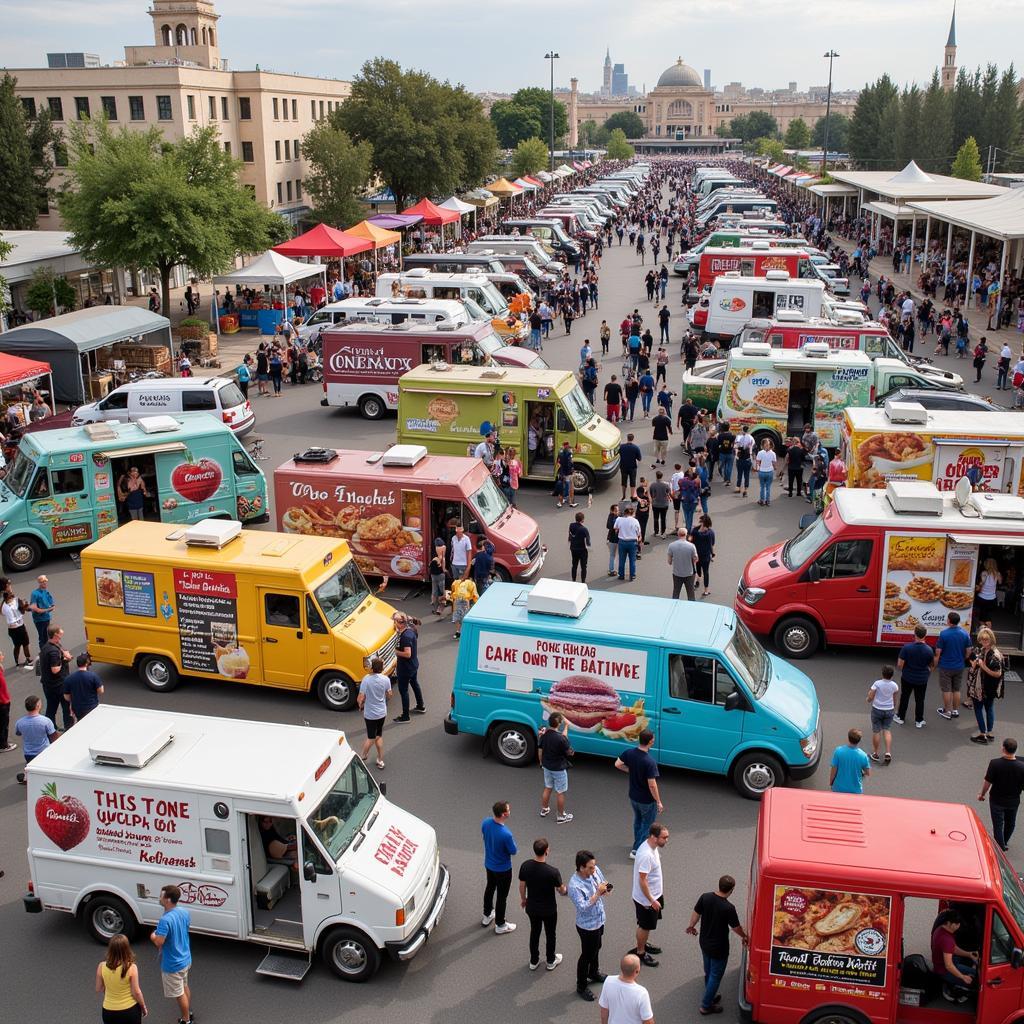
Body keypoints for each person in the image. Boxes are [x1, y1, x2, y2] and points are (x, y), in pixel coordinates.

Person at [687, 874, 749, 1017]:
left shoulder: (705, 897)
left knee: (708, 970)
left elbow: (696, 913)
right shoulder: (728, 908)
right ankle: (706, 1005)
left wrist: (691, 926)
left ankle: (710, 992)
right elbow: (736, 928)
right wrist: (745, 937)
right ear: (731, 890)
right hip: (719, 948)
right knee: (716, 975)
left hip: (704, 942)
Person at [519, 837, 567, 972]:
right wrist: (564, 889)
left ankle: (534, 960)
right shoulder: (553, 872)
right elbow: (561, 890)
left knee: (535, 932)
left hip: (532, 907)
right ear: (547, 851)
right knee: (550, 933)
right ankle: (550, 960)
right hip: (549, 909)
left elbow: (522, 885)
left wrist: (524, 899)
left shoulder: (525, 865)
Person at [568, 849, 610, 1001]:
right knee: (587, 954)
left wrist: (605, 889)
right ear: (581, 867)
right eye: (590, 867)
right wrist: (598, 894)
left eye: (594, 866)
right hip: (587, 926)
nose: (594, 870)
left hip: (599, 919)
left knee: (597, 946)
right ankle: (581, 986)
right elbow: (583, 907)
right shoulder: (574, 886)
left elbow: (602, 882)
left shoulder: (595, 870)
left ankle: (594, 972)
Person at [614, 730, 663, 857]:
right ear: (651, 741)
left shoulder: (629, 753)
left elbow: (618, 764)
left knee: (638, 821)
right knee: (647, 824)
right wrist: (658, 801)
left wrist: (631, 770)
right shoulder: (649, 762)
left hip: (633, 797)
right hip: (646, 799)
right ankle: (637, 850)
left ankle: (637, 844)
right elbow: (652, 785)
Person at [150, 884, 192, 1024]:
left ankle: (186, 1020)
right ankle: (189, 1012)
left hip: (172, 963)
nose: (159, 898)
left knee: (179, 993)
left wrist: (152, 935)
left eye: (161, 896)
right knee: (184, 986)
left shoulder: (165, 920)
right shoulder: (184, 912)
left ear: (167, 899)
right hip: (185, 958)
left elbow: (159, 942)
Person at [632, 823, 669, 967]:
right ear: (653, 837)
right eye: (664, 838)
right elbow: (642, 880)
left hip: (654, 895)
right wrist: (652, 900)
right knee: (644, 926)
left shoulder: (652, 847)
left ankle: (643, 943)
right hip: (646, 900)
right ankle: (640, 952)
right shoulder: (646, 855)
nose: (666, 840)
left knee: (647, 925)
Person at [978, 737, 1024, 852]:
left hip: (996, 800)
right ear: (1015, 750)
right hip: (1013, 801)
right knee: (1010, 823)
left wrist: (982, 794)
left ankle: (999, 847)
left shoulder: (995, 763)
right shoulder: (1021, 766)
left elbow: (987, 782)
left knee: (998, 824)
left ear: (1003, 748)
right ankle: (1004, 842)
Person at [482, 800, 518, 934]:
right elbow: (513, 851)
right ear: (504, 814)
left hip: (489, 865)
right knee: (502, 896)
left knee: (490, 888)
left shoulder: (486, 823)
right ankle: (500, 924)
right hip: (503, 869)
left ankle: (487, 915)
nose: (509, 811)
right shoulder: (506, 834)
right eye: (508, 810)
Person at [96, 935, 147, 1024]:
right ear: (126, 949)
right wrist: (143, 1007)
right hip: (129, 1011)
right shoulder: (131, 967)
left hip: (109, 1011)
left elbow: (99, 988)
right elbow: (136, 992)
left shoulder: (101, 966)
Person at [931, 910, 978, 1002]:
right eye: (956, 924)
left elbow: (954, 949)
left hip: (943, 966)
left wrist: (969, 954)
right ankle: (953, 989)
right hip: (945, 971)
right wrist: (963, 977)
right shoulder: (946, 939)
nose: (958, 926)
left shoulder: (941, 929)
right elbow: (948, 965)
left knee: (975, 973)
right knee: (976, 982)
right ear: (949, 923)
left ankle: (952, 984)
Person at [967, 627, 1004, 744]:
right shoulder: (983, 650)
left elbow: (998, 674)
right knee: (989, 708)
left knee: (979, 708)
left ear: (991, 639)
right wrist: (975, 664)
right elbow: (975, 664)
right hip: (984, 686)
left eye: (986, 639)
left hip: (986, 687)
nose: (984, 642)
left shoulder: (995, 655)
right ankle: (989, 733)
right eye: (982, 639)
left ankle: (983, 734)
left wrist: (983, 667)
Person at [895, 624, 933, 728]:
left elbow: (899, 665)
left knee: (905, 697)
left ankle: (900, 717)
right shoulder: (929, 650)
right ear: (925, 635)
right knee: (920, 699)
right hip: (922, 679)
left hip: (907, 677)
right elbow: (931, 665)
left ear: (914, 634)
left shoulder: (907, 648)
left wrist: (906, 670)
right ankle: (919, 720)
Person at [598, 954, 654, 1024]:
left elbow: (604, 1010)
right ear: (637, 971)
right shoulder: (642, 993)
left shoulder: (608, 981)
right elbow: (648, 1021)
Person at [538, 712, 574, 823]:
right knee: (560, 792)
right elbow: (570, 752)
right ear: (559, 724)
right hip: (559, 768)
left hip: (547, 766)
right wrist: (567, 726)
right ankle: (561, 816)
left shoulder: (544, 735)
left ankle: (544, 810)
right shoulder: (561, 739)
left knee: (548, 787)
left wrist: (541, 763)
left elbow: (540, 751)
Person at [935, 611, 971, 720]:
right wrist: (962, 658)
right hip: (959, 666)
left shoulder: (944, 634)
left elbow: (938, 651)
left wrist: (934, 663)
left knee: (946, 690)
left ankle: (947, 711)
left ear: (949, 621)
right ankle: (955, 710)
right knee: (956, 689)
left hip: (946, 666)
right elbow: (969, 651)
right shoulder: (965, 634)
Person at [358, 657, 391, 769]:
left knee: (371, 737)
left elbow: (361, 697)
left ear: (372, 667)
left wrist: (360, 705)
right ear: (381, 668)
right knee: (378, 735)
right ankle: (380, 760)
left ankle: (362, 756)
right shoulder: (386, 679)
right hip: (382, 713)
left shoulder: (366, 680)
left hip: (370, 714)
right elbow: (389, 694)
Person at [14, 694, 55, 783]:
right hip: (43, 752)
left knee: (32, 768)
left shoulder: (20, 722)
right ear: (38, 706)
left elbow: (18, 733)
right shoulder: (46, 721)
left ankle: (27, 777)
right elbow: (53, 735)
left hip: (28, 753)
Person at [39, 624, 73, 731]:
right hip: (58, 685)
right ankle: (69, 728)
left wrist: (64, 655)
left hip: (48, 684)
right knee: (66, 708)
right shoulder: (53, 651)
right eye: (60, 631)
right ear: (55, 634)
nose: (62, 631)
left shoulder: (47, 646)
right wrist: (65, 659)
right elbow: (55, 669)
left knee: (51, 707)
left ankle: (51, 729)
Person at [391, 612, 424, 722]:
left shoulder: (405, 636)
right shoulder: (411, 630)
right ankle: (420, 706)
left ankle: (405, 716)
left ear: (399, 623)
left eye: (394, 621)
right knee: (415, 684)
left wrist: (396, 652)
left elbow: (407, 654)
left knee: (403, 690)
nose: (393, 623)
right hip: (414, 665)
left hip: (405, 668)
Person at [866, 665, 899, 764]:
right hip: (889, 710)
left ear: (882, 674)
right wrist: (894, 708)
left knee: (876, 731)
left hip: (877, 709)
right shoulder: (894, 685)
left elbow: (871, 695)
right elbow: (894, 698)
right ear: (892, 675)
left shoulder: (877, 683)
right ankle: (888, 752)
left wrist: (868, 699)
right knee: (887, 730)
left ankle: (875, 753)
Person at [64, 652, 104, 722]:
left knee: (80, 723)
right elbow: (101, 691)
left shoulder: (69, 678)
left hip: (77, 708)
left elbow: (66, 697)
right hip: (92, 706)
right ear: (86, 663)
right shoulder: (93, 676)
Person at [829, 728, 871, 794]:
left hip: (838, 788)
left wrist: (831, 782)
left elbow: (833, 770)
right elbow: (868, 773)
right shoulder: (863, 755)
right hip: (855, 790)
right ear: (859, 740)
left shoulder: (838, 751)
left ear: (848, 738)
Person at [3, 584, 32, 668]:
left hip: (20, 626)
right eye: (10, 595)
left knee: (25, 643)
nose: (12, 596)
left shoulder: (16, 600)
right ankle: (17, 662)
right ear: (6, 598)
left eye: (11, 594)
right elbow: (6, 615)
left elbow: (23, 610)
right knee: (17, 645)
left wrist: (25, 607)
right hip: (14, 629)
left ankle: (28, 659)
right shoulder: (4, 607)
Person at [666, 527, 698, 601]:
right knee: (691, 594)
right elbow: (695, 559)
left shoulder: (671, 545)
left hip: (677, 573)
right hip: (689, 574)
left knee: (676, 593)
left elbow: (669, 562)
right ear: (686, 535)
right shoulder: (691, 546)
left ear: (678, 534)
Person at [614, 505, 642, 582]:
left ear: (624, 513)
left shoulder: (619, 519)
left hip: (622, 541)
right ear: (632, 513)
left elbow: (615, 528)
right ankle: (632, 575)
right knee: (632, 560)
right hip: (632, 542)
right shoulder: (635, 521)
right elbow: (638, 532)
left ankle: (621, 575)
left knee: (622, 559)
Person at [28, 574, 54, 653]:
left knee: (47, 636)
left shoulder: (46, 592)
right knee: (42, 637)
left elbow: (52, 605)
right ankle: (43, 653)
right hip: (39, 620)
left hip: (47, 618)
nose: (45, 583)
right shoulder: (35, 594)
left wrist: (47, 609)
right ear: (39, 583)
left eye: (45, 582)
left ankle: (47, 651)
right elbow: (35, 609)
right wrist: (47, 609)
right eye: (43, 582)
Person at [691, 514, 715, 598]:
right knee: (705, 572)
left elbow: (690, 541)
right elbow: (712, 545)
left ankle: (698, 580)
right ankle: (706, 590)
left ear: (702, 522)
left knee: (698, 569)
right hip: (705, 557)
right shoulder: (710, 533)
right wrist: (713, 554)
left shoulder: (695, 531)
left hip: (696, 555)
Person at [975, 558, 1002, 627]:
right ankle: (987, 633)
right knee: (987, 616)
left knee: (982, 617)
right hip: (992, 598)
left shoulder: (984, 573)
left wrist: (978, 585)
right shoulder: (998, 573)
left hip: (982, 598)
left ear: (987, 564)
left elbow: (982, 583)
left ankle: (983, 633)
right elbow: (1000, 582)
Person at [450, 575, 479, 640]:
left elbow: (452, 590)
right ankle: (459, 632)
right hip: (461, 600)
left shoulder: (469, 583)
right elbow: (453, 591)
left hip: (462, 600)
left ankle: (461, 632)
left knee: (461, 616)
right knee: (460, 616)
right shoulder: (457, 582)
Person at [568, 511, 590, 585]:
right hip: (582, 550)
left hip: (573, 549)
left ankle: (573, 580)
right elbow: (588, 542)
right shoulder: (584, 529)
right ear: (582, 520)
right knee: (583, 567)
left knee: (574, 565)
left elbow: (570, 535)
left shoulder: (571, 525)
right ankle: (583, 582)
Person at [619, 433, 643, 500]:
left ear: (627, 438)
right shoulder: (636, 448)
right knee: (632, 481)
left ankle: (624, 495)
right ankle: (632, 496)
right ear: (633, 439)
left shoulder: (622, 446)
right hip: (632, 467)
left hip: (623, 466)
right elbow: (639, 459)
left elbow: (618, 453)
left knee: (624, 481)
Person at [649, 471, 671, 538]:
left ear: (656, 476)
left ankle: (656, 532)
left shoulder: (652, 485)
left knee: (656, 518)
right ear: (662, 476)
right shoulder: (666, 485)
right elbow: (668, 492)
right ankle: (663, 532)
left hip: (655, 504)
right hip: (664, 504)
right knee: (663, 518)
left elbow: (651, 494)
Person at [754, 439, 777, 506]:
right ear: (771, 445)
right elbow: (774, 463)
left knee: (762, 487)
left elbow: (757, 462)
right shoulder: (773, 453)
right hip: (770, 472)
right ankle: (768, 501)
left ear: (762, 445)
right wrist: (775, 469)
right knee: (768, 487)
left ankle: (762, 500)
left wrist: (757, 469)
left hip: (762, 471)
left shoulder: (760, 453)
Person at [556, 441, 577, 509]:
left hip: (561, 473)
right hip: (568, 473)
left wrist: (561, 473)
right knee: (571, 487)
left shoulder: (560, 453)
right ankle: (571, 502)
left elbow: (558, 463)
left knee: (561, 487)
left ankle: (561, 502)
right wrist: (572, 471)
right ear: (567, 446)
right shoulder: (569, 454)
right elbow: (570, 464)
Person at [733, 426, 753, 497]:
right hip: (748, 459)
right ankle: (745, 490)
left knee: (740, 474)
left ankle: (738, 488)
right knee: (747, 475)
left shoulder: (739, 437)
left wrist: (736, 453)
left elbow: (735, 447)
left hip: (740, 458)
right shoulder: (751, 438)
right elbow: (753, 447)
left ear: (742, 430)